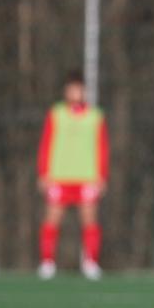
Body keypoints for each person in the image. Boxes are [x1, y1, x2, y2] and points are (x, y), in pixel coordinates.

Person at [36, 71, 109, 280]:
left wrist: (102, 175)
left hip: (87, 176)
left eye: (79, 88)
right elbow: (46, 143)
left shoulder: (96, 116)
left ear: (84, 91)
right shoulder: (56, 113)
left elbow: (102, 147)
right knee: (51, 220)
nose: (75, 92)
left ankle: (91, 263)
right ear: (66, 91)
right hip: (59, 176)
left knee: (90, 221)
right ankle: (47, 263)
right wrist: (43, 173)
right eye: (71, 89)